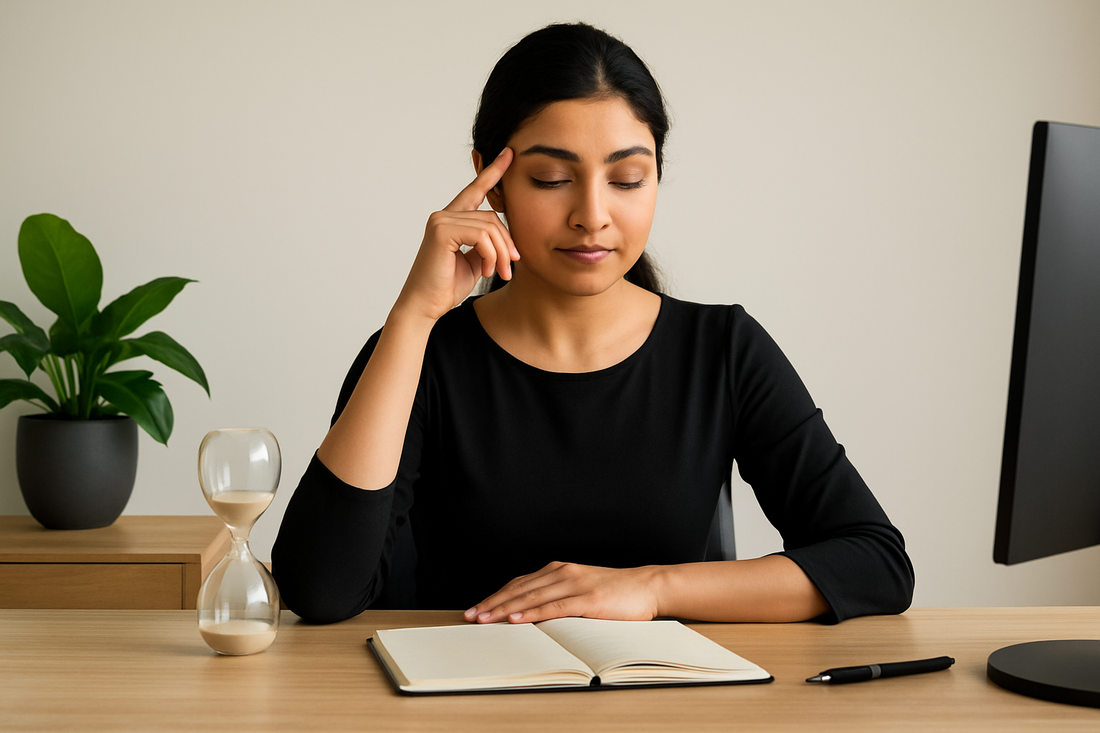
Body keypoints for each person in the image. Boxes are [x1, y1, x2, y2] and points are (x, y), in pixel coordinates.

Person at [272, 22, 914, 626]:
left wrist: (650, 588)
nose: (593, 214)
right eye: (552, 178)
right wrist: (413, 317)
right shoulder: (422, 356)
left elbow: (875, 563)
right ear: (489, 182)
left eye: (628, 179)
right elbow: (321, 591)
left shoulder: (723, 349)